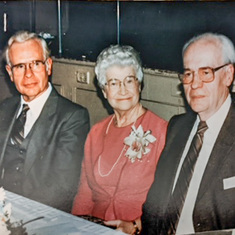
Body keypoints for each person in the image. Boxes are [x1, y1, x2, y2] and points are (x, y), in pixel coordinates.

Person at [141, 32, 235, 234]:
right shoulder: (177, 127)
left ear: (228, 75)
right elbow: (154, 207)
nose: (194, 84)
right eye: (188, 73)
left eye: (206, 72)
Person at [71, 45, 167, 234]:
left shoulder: (161, 130)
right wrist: (74, 226)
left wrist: (136, 226)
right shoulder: (96, 133)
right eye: (114, 83)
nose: (123, 90)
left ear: (139, 84)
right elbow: (85, 193)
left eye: (129, 81)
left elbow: (167, 202)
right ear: (104, 91)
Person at [0, 31, 90, 212]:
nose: (28, 75)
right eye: (20, 67)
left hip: (39, 219)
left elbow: (62, 189)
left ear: (48, 66)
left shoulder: (72, 117)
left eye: (35, 64)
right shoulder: (5, 108)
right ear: (10, 73)